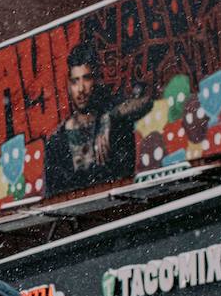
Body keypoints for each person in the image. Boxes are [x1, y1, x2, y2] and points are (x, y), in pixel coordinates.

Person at [43, 44, 151, 197]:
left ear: (96, 80)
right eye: (75, 81)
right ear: (69, 85)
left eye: (86, 78)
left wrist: (110, 117)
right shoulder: (57, 142)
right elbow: (53, 198)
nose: (81, 89)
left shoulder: (114, 127)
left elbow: (146, 101)